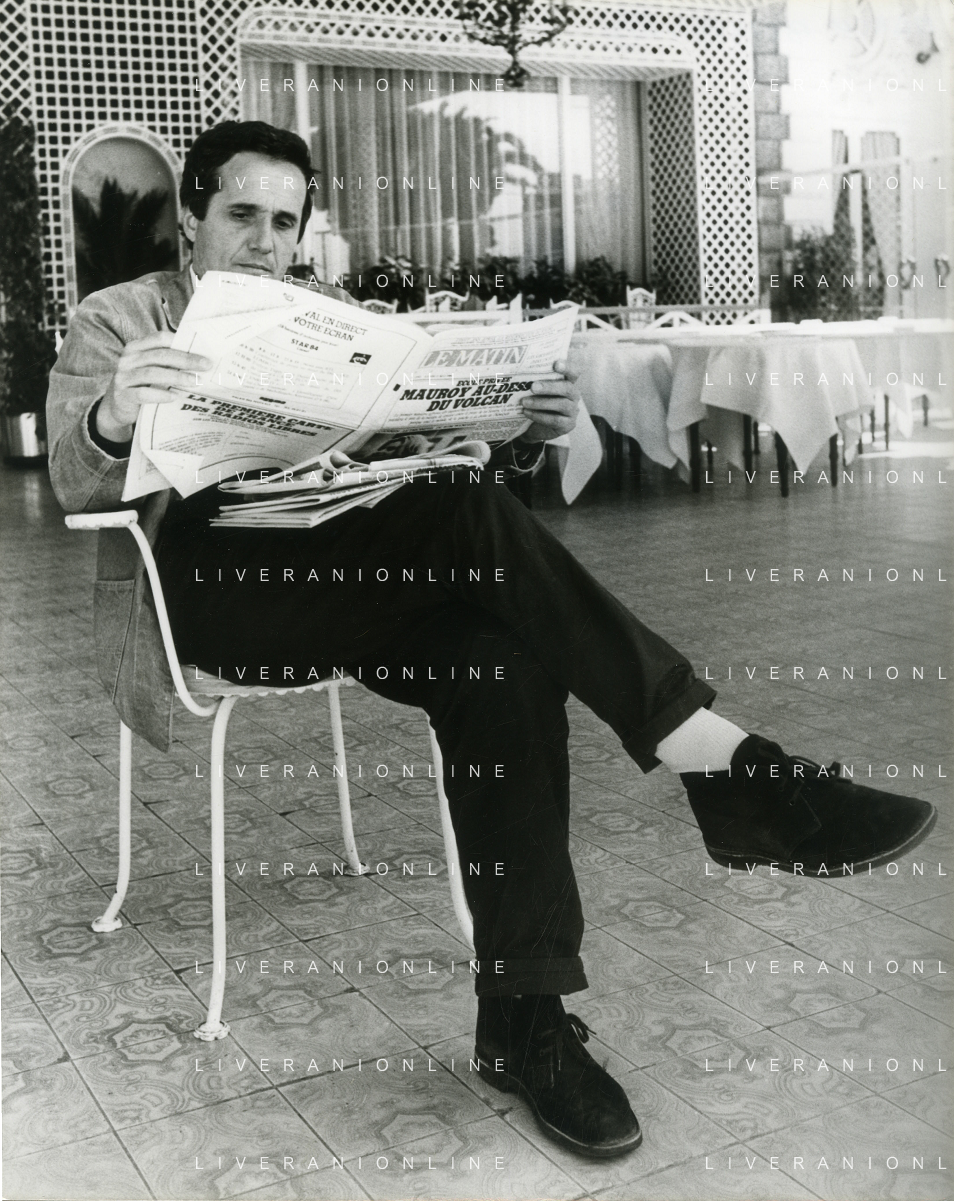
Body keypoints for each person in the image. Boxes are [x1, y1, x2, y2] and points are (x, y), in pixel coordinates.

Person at [47, 120, 937, 1161]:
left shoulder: (327, 316)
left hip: (353, 573)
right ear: (191, 217)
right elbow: (70, 481)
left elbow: (411, 451)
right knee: (466, 520)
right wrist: (114, 415)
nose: (265, 241)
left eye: (285, 223)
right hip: (218, 595)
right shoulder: (120, 318)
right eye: (242, 214)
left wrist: (515, 431)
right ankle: (726, 766)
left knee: (502, 664)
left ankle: (525, 1019)